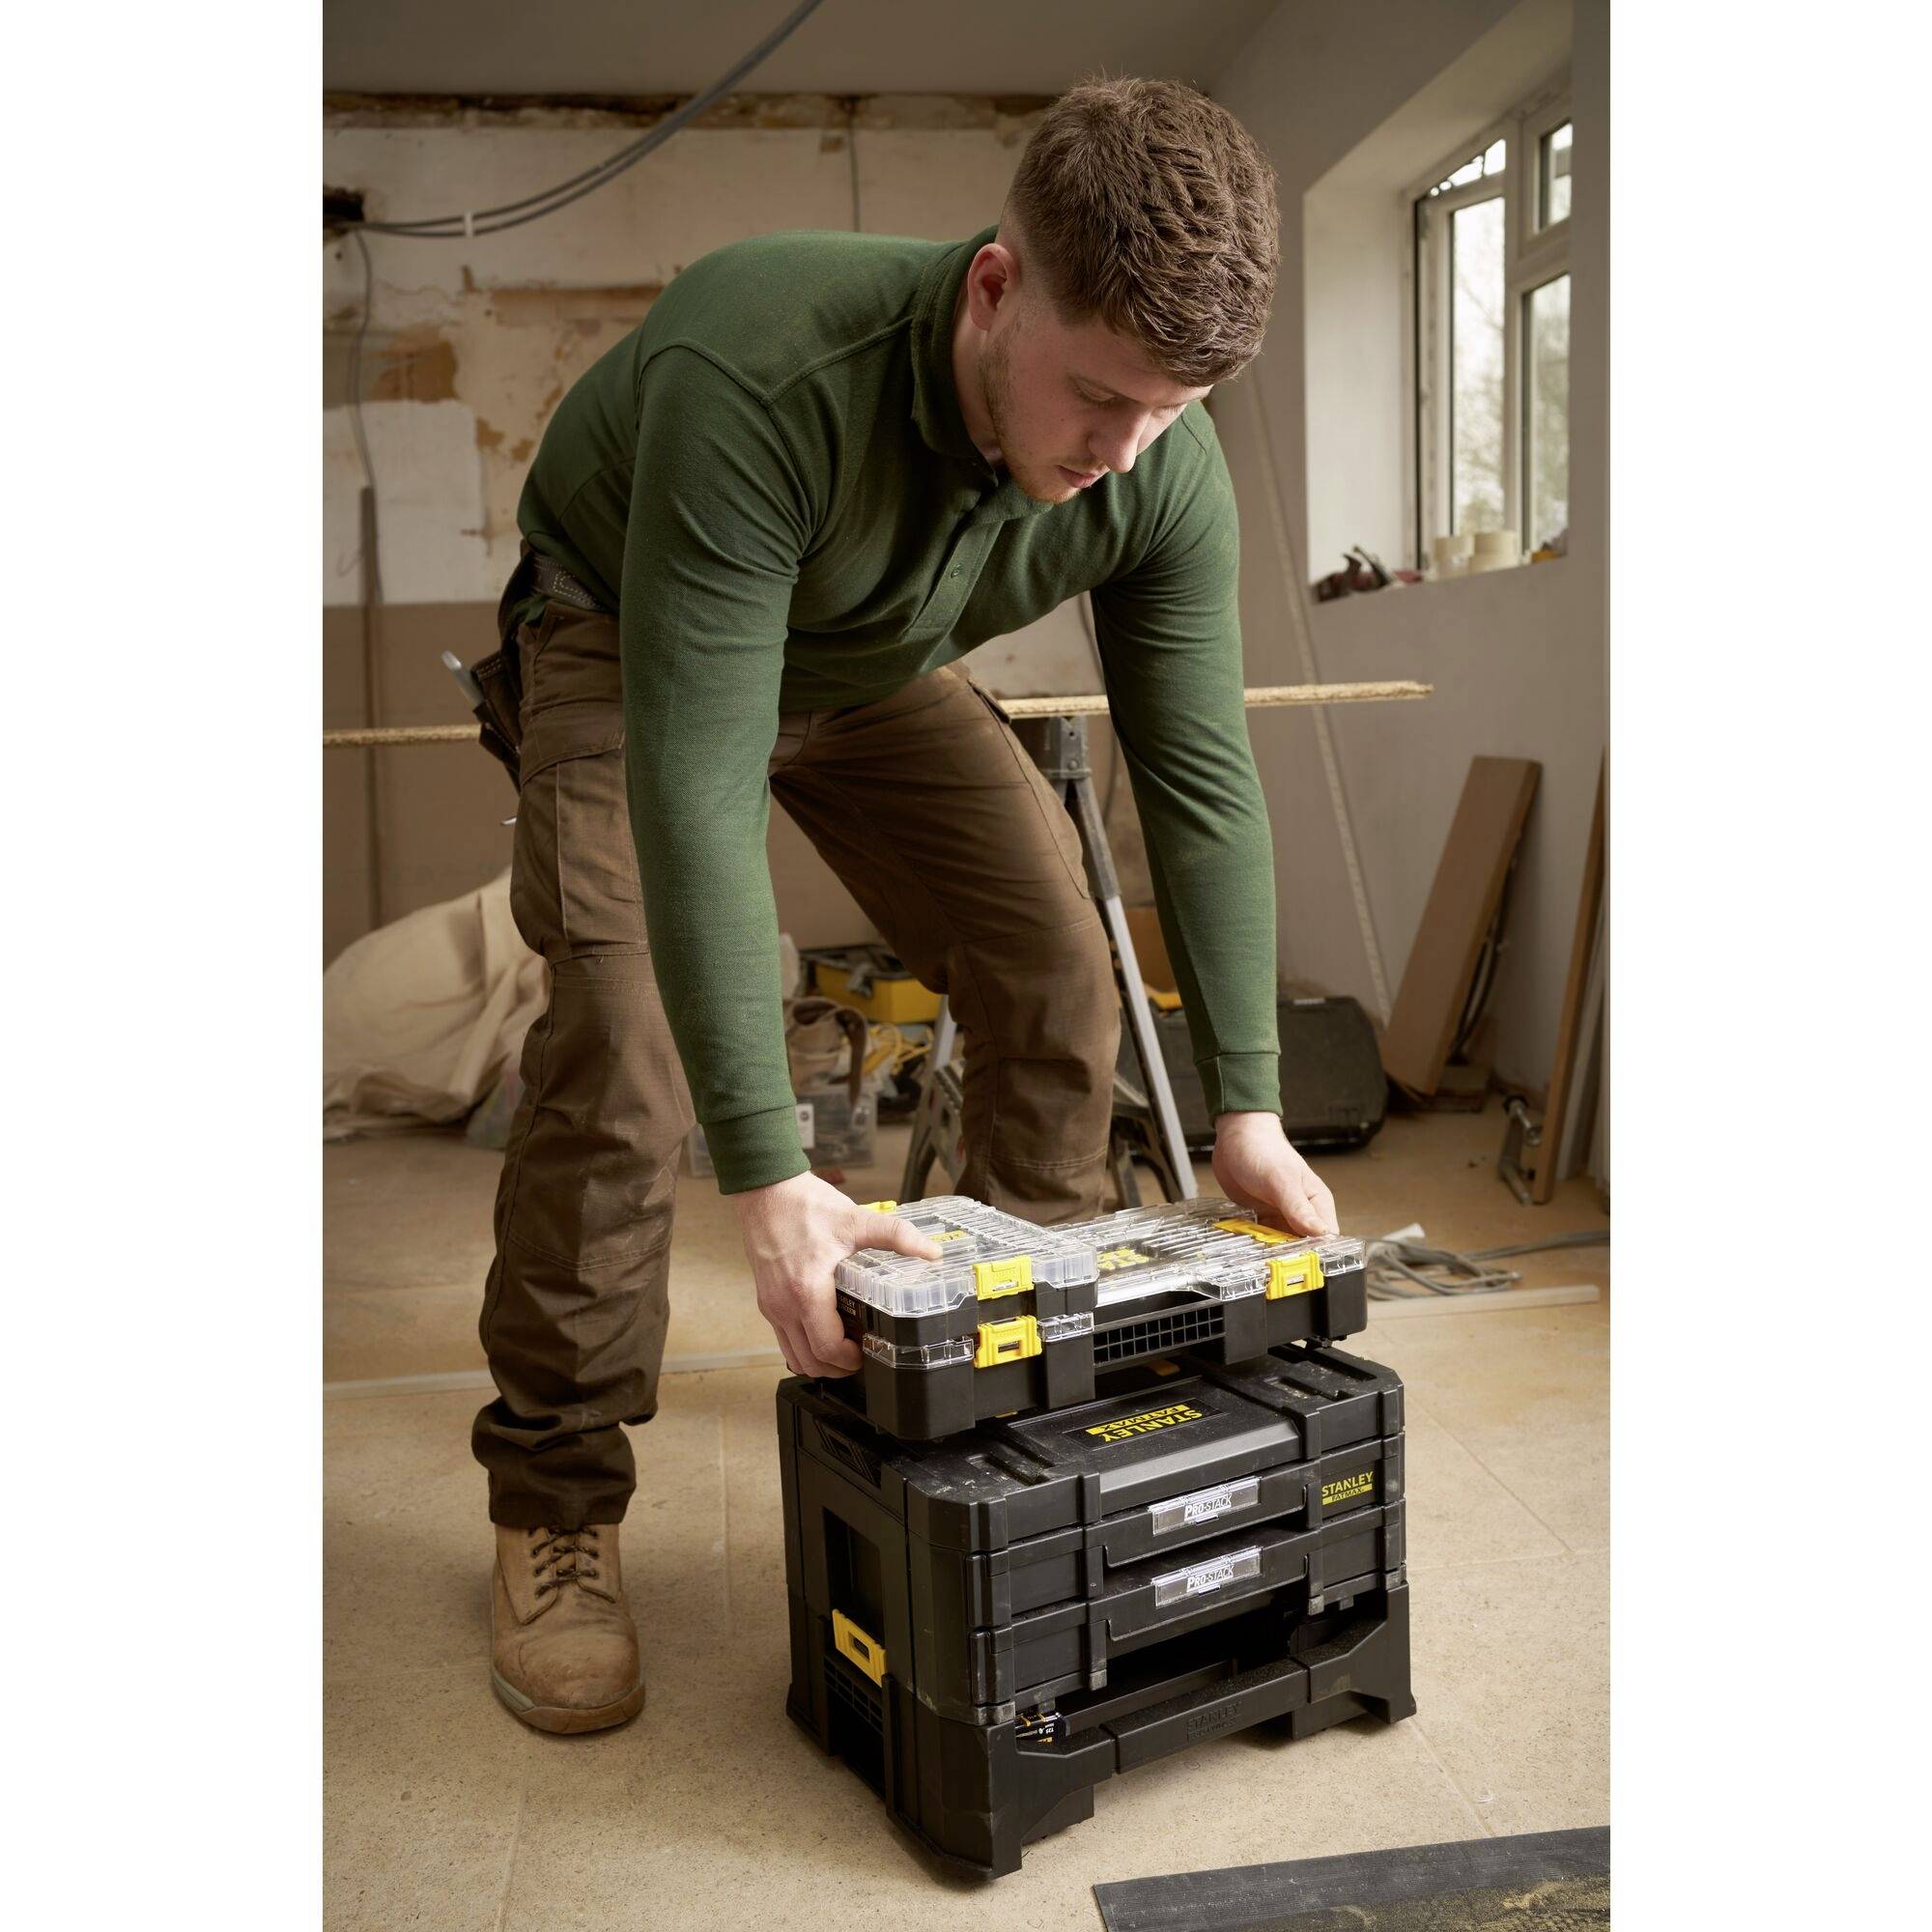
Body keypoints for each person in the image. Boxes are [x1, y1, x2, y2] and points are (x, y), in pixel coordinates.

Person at [473, 76, 1338, 1734]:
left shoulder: (1157, 453)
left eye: (1168, 411)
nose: (1121, 457)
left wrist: (1246, 1104)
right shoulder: (766, 363)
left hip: (866, 660)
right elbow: (703, 784)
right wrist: (772, 1170)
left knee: (1056, 960)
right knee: (627, 1026)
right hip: (621, 626)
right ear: (997, 284)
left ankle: (1010, 1393)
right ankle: (556, 1504)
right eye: (1096, 399)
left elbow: (1199, 775)